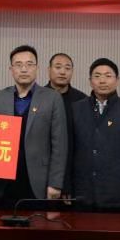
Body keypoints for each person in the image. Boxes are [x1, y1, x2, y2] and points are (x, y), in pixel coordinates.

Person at [0, 45, 67, 207]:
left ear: (37, 68)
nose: (24, 69)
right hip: (3, 181)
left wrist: (55, 183)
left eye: (29, 64)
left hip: (39, 181)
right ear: (11, 69)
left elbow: (60, 145)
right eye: (18, 65)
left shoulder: (52, 98)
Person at [71, 58, 120, 212]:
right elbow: (69, 151)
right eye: (97, 76)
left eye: (108, 76)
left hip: (116, 195)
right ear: (90, 81)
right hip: (82, 194)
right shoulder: (76, 109)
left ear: (117, 80)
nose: (102, 81)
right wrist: (66, 187)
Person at [45, 52, 87, 195]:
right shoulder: (38, 97)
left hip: (73, 175)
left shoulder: (82, 101)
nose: (63, 72)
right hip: (42, 172)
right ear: (49, 70)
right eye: (58, 67)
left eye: (67, 68)